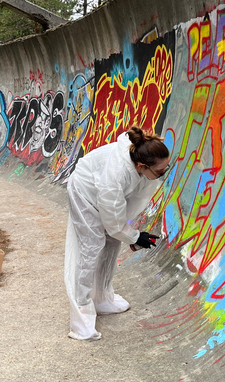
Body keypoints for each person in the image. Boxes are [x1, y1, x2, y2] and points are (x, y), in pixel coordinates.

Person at [64, 125, 170, 341]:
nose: (162, 174)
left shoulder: (140, 168)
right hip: (84, 192)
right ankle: (82, 310)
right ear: (142, 166)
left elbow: (127, 209)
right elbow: (113, 220)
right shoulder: (115, 174)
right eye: (160, 171)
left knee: (112, 242)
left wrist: (129, 235)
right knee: (91, 246)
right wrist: (133, 235)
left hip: (103, 195)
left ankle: (102, 296)